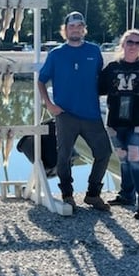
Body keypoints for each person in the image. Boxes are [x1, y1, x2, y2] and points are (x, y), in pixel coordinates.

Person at [38, 11, 112, 211]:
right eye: (72, 26)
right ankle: (67, 195)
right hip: (65, 115)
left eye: (80, 26)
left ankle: (93, 195)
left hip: (92, 115)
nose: (76, 29)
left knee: (104, 152)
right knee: (64, 157)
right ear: (66, 29)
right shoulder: (56, 54)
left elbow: (101, 79)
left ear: (84, 29)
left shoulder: (94, 51)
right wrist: (49, 104)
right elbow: (41, 81)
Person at [99, 29, 139, 219]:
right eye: (130, 42)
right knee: (124, 159)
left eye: (138, 43)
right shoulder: (111, 68)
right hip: (116, 124)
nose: (133, 46)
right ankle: (127, 195)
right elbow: (95, 89)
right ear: (122, 44)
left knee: (136, 160)